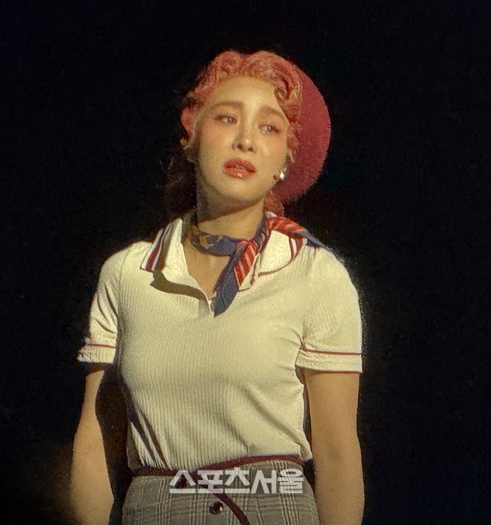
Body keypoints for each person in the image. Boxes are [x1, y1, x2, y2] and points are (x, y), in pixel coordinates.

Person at [70, 50, 364, 525]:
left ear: (284, 161)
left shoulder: (315, 275)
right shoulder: (129, 275)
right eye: (226, 118)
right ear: (191, 138)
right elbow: (97, 437)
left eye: (269, 128)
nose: (245, 140)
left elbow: (337, 451)